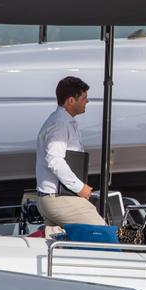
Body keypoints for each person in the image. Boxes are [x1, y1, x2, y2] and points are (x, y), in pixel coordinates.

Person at [35, 76, 106, 232]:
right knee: (102, 233)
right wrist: (80, 187)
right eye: (84, 97)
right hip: (58, 198)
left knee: (64, 246)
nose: (87, 101)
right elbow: (55, 160)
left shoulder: (63, 122)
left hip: (53, 198)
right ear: (71, 101)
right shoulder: (59, 125)